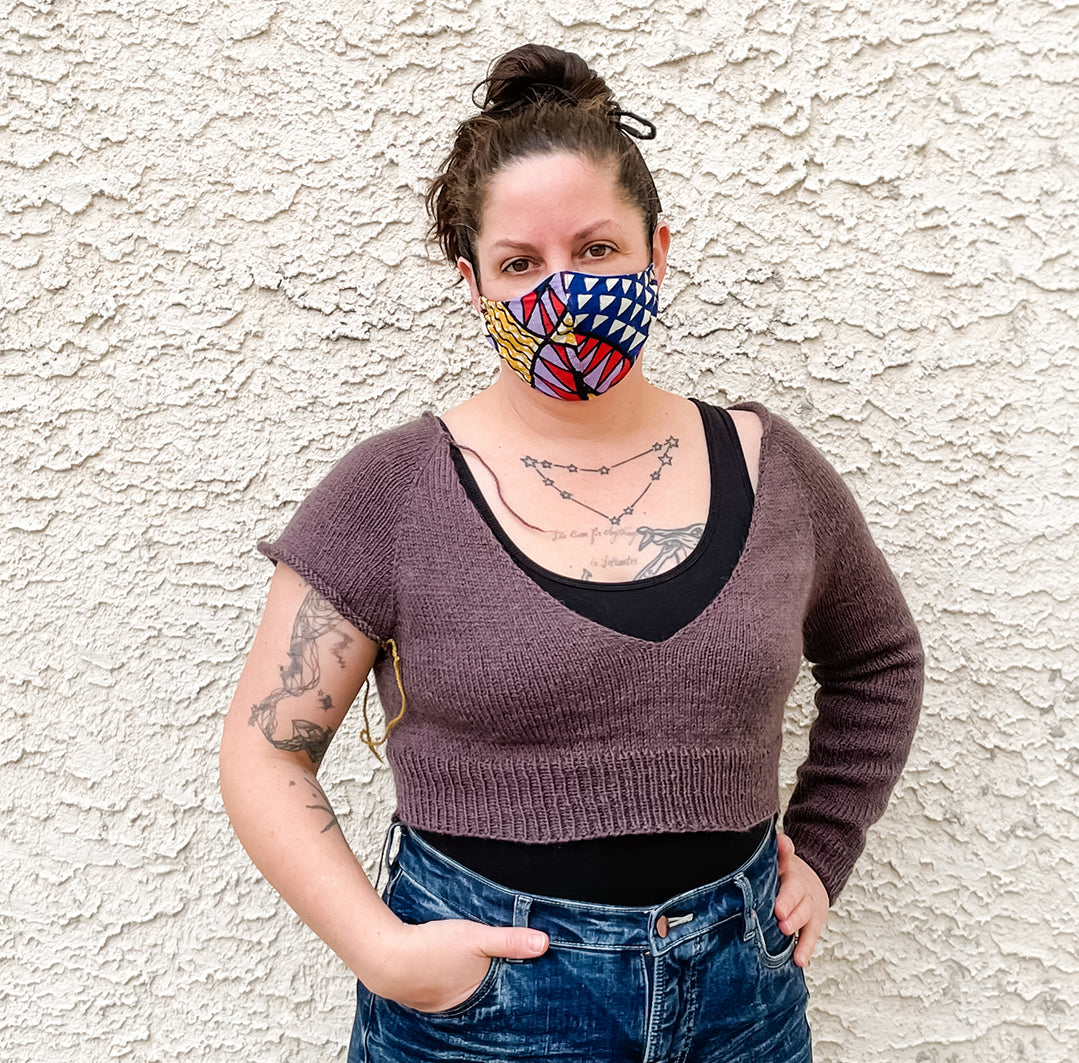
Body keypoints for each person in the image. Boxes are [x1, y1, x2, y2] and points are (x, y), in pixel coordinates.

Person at [219, 43, 923, 1063]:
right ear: (471, 281)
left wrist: (821, 847)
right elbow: (265, 748)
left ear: (657, 250)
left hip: (740, 996)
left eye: (597, 250)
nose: (564, 292)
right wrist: (382, 949)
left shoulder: (770, 470)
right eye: (520, 263)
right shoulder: (393, 490)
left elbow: (877, 661)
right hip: (487, 1011)